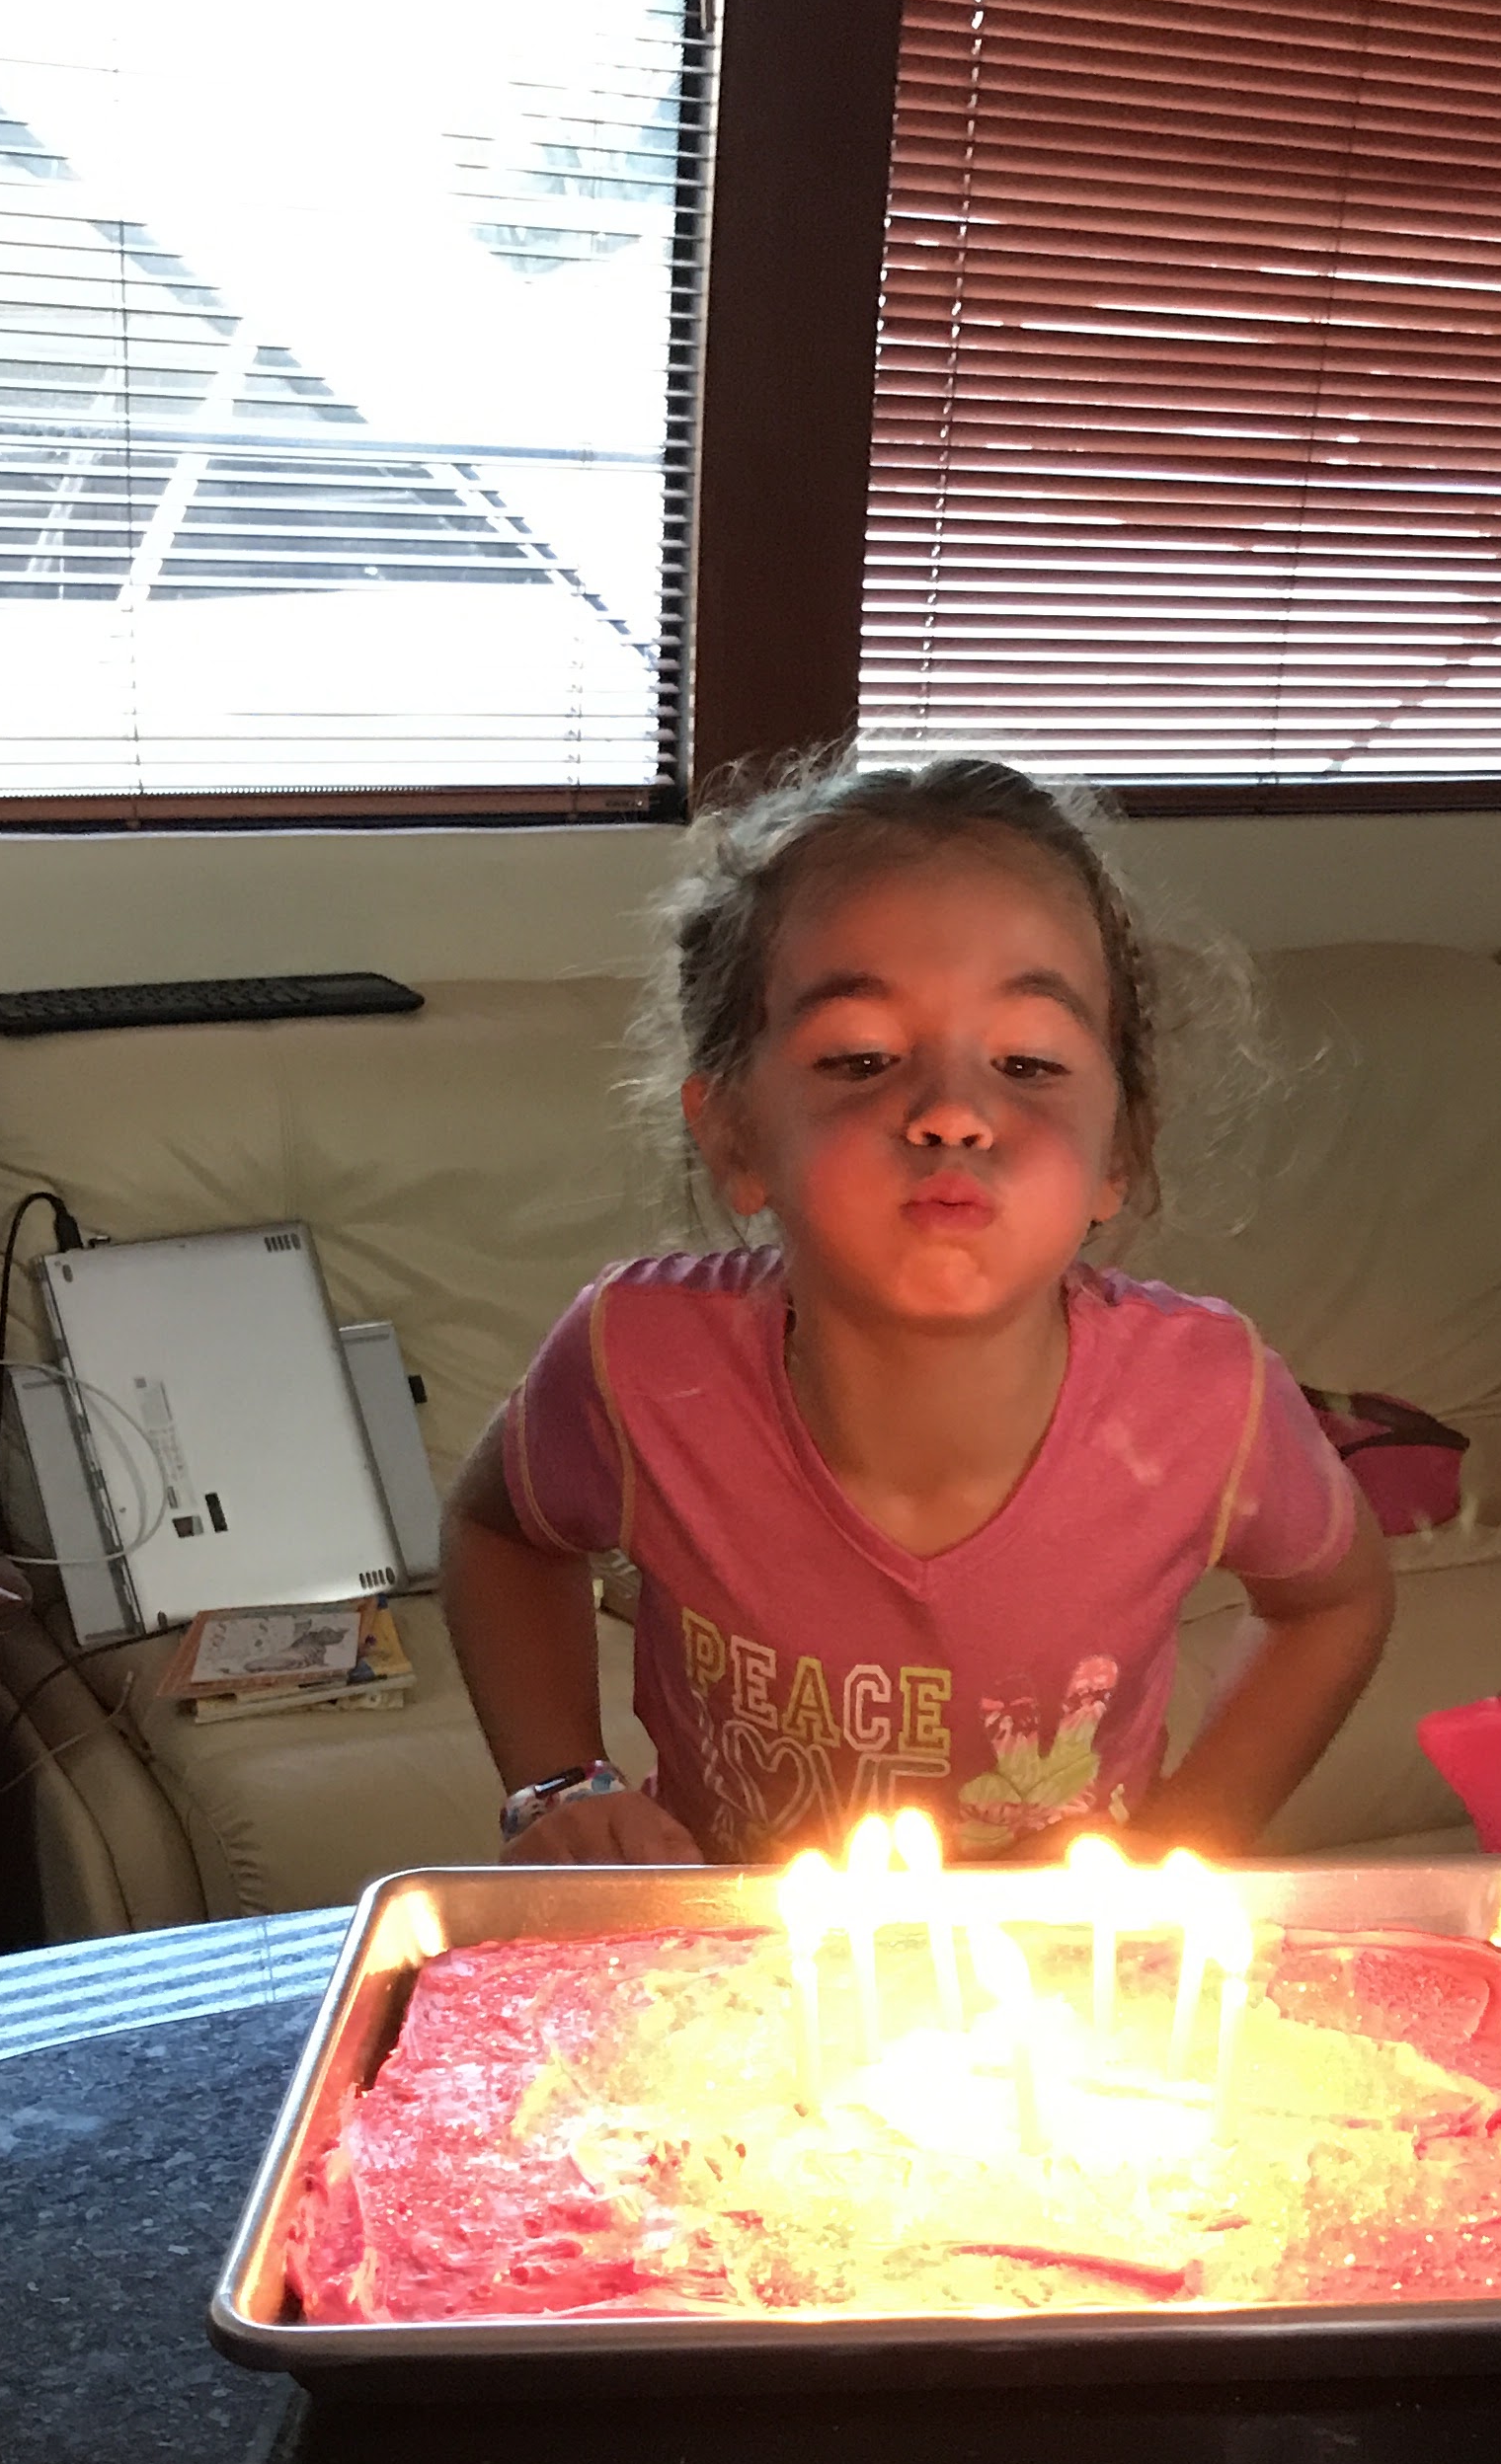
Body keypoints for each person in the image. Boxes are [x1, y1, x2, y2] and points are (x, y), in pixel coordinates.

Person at [441, 754, 1391, 1872]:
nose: (950, 1112)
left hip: (1062, 1974)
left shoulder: (1207, 1396)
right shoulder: (636, 1362)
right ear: (735, 1133)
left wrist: (1185, 1843)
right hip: (725, 1962)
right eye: (861, 1058)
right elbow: (498, 1534)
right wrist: (559, 1785)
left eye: (1027, 1061)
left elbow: (1334, 1602)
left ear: (1119, 1150)